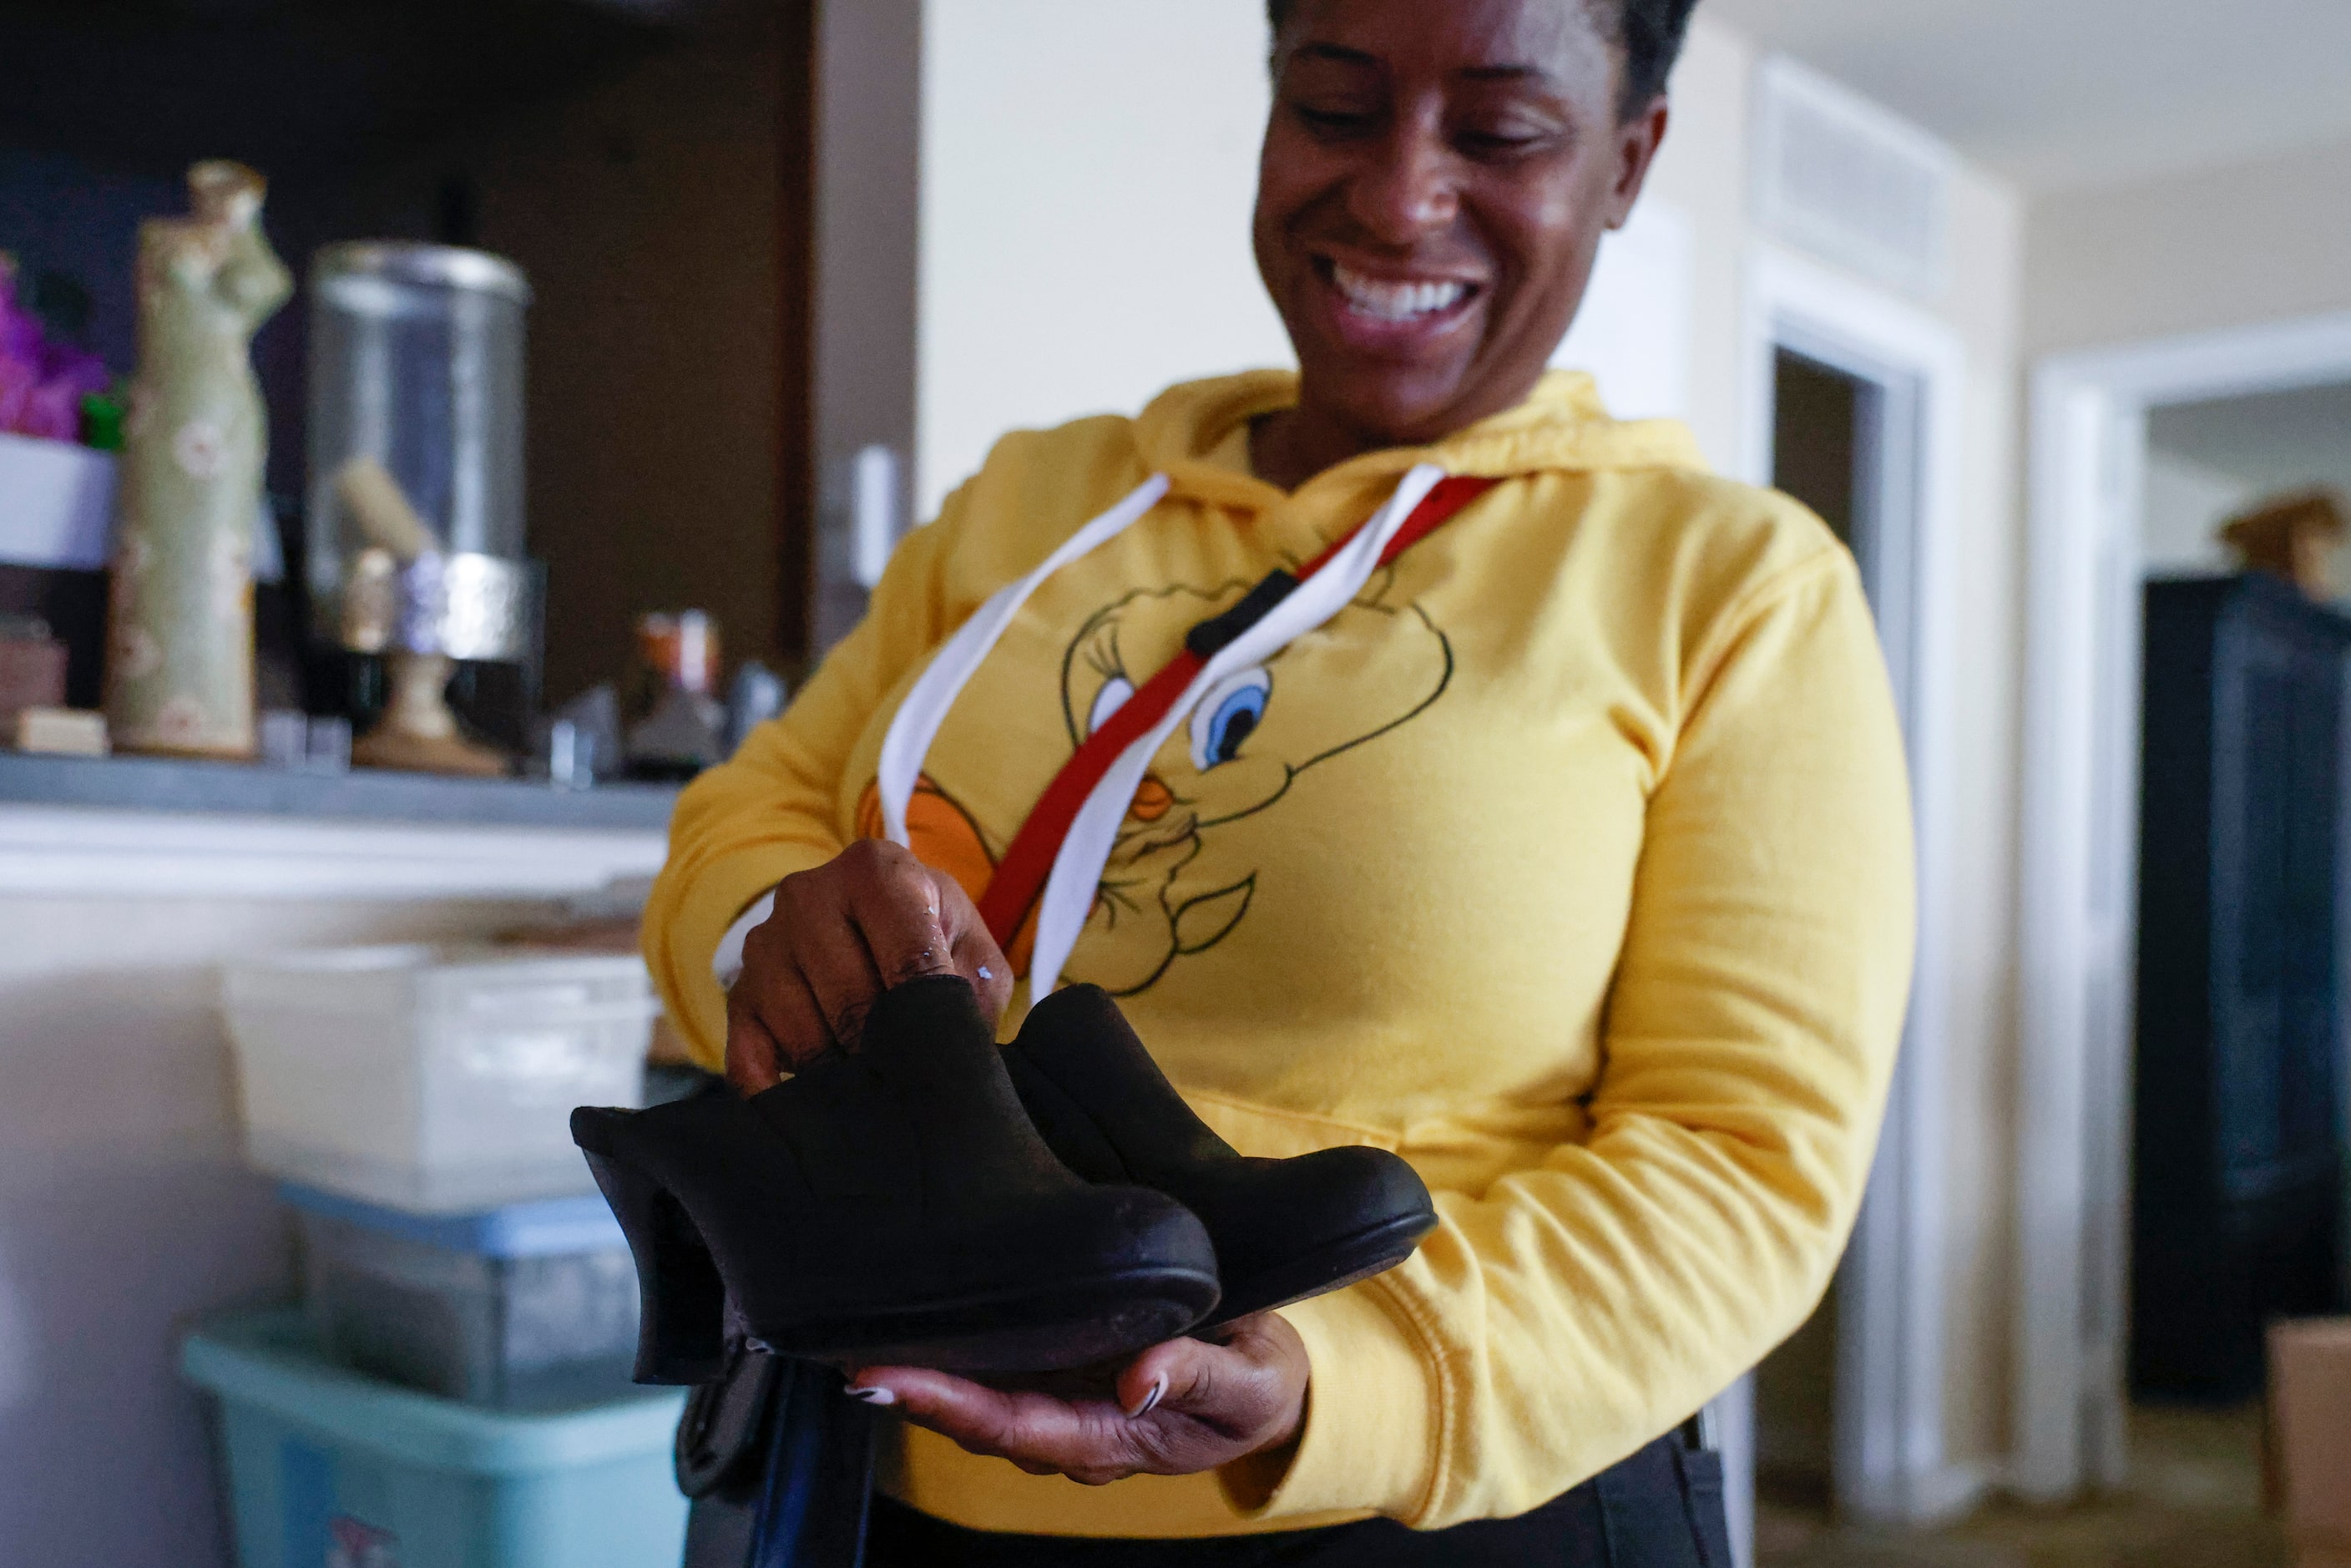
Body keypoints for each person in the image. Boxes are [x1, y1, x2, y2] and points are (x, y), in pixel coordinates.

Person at [642, 0, 1914, 1560]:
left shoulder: (1730, 583)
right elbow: (753, 806)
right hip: (864, 1472)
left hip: (1413, 1497)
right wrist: (772, 927)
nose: (1398, 196)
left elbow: (1742, 1156)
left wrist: (1345, 1376)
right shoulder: (1038, 494)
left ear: (1628, 161)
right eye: (1334, 105)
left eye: (1503, 132)